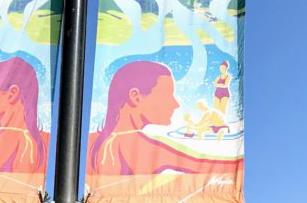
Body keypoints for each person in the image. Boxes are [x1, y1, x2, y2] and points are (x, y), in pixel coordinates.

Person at [86, 61, 240, 177]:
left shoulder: (89, 142)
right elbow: (219, 166)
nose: (176, 103)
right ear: (136, 97)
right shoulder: (147, 149)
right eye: (167, 94)